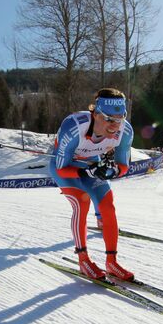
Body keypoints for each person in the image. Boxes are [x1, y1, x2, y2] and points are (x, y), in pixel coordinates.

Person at [48, 88, 134, 281]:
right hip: (66, 167)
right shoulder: (74, 126)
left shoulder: (125, 131)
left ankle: (111, 262)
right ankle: (83, 260)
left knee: (107, 205)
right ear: (95, 114)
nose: (115, 126)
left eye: (119, 119)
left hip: (90, 164)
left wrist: (112, 171)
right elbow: (62, 168)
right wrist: (87, 171)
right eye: (109, 119)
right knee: (81, 202)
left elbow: (124, 165)